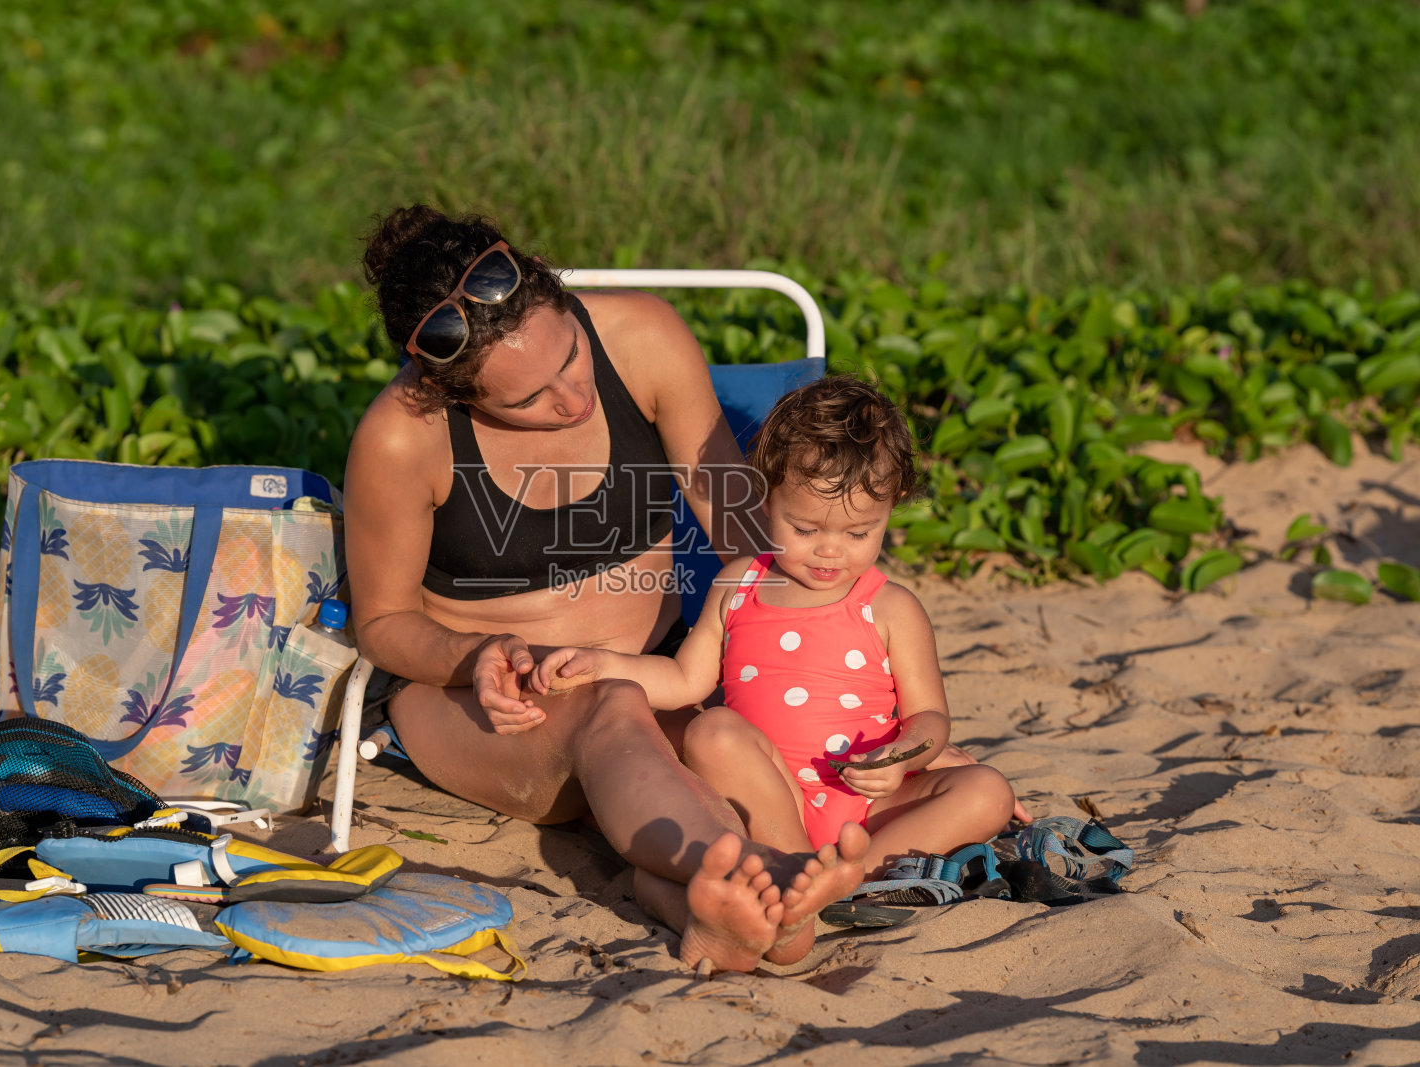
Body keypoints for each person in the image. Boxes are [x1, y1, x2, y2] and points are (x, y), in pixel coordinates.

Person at [342, 205, 869, 973]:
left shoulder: (644, 339)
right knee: (608, 703)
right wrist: (477, 652)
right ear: (448, 388)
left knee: (712, 741)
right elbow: (383, 622)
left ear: (561, 296)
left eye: (569, 356)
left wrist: (875, 699)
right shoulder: (402, 435)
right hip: (478, 700)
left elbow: (745, 537)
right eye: (526, 400)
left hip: (657, 674)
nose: (572, 398)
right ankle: (771, 877)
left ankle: (731, 909)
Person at [533, 374, 1022, 957]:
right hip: (764, 797)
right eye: (805, 528)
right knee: (712, 731)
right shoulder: (738, 585)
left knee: (987, 789)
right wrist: (605, 663)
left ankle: (846, 879)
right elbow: (685, 681)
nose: (830, 550)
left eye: (860, 531)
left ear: (891, 510)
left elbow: (930, 720)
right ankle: (793, 886)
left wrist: (898, 759)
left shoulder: (891, 608)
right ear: (765, 499)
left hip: (864, 808)